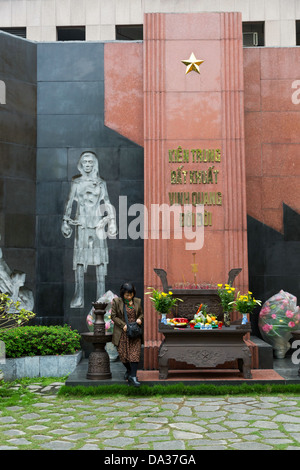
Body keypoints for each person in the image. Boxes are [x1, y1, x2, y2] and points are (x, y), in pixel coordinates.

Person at [61, 151, 117, 308]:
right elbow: (69, 202)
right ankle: (78, 295)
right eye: (85, 162)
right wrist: (65, 221)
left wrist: (112, 222)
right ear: (80, 164)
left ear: (95, 164)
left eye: (90, 162)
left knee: (100, 261)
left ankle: (101, 296)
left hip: (98, 224)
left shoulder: (101, 182)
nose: (87, 164)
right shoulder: (76, 182)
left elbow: (107, 201)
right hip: (82, 224)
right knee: (80, 261)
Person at [111, 282, 143, 387]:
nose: (129, 297)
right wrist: (122, 325)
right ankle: (129, 371)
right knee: (123, 355)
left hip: (134, 332)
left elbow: (141, 314)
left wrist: (139, 319)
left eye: (131, 294)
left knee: (135, 354)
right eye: (127, 295)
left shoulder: (137, 301)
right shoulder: (117, 302)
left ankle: (133, 376)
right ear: (122, 294)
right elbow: (113, 316)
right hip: (123, 332)